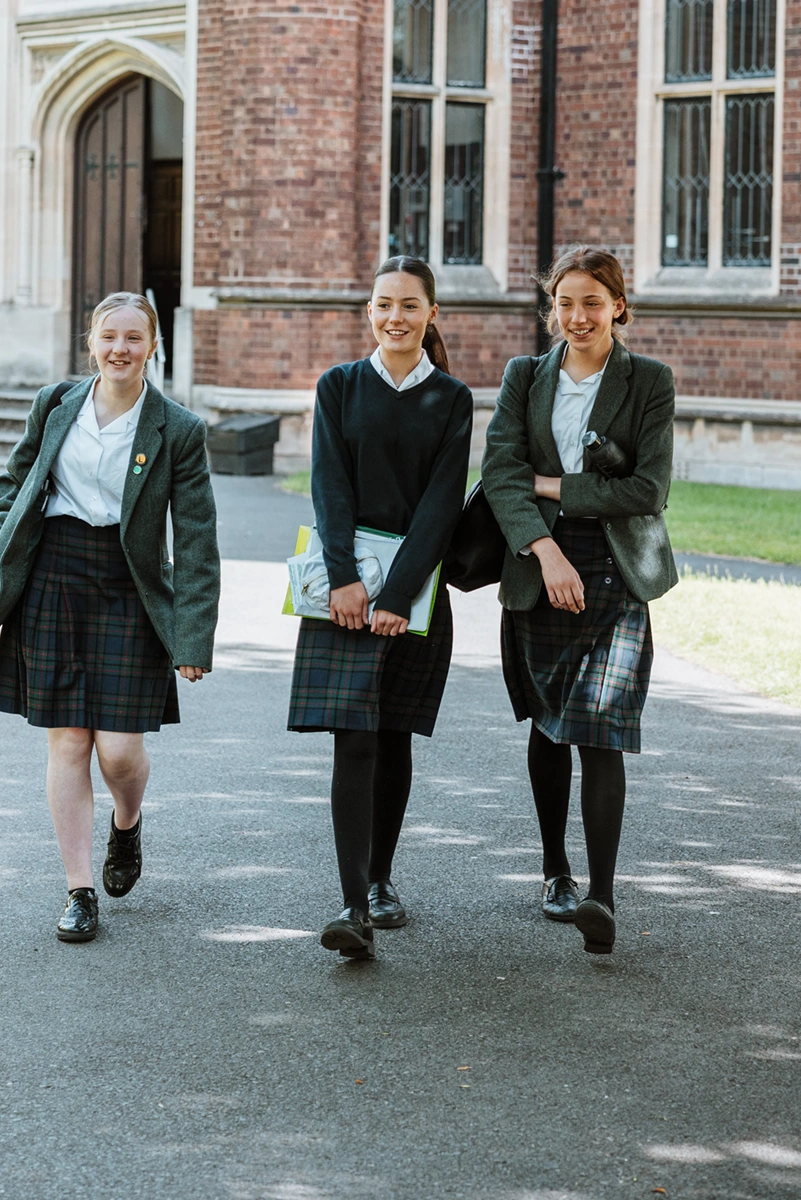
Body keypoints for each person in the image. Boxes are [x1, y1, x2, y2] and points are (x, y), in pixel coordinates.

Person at [0, 292, 220, 944]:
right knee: (68, 741)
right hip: (53, 577)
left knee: (117, 751)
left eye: (134, 338)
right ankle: (79, 890)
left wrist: (193, 636)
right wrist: (4, 543)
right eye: (109, 336)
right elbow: (15, 480)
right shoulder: (55, 405)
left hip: (129, 584)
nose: (120, 348)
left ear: (152, 345)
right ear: (92, 343)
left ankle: (128, 822)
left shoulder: (179, 430)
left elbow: (196, 541)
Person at [481, 247, 677, 955]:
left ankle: (601, 894)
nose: (578, 315)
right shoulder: (524, 377)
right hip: (542, 563)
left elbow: (646, 491)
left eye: (592, 300)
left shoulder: (649, 381)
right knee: (548, 722)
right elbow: (501, 472)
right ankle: (554, 872)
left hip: (618, 570)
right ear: (551, 307)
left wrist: (553, 484)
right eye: (565, 301)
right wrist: (545, 546)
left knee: (601, 724)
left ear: (618, 306)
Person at [288, 256, 474, 960]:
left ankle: (380, 880)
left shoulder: (452, 399)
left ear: (432, 315)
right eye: (382, 303)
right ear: (369, 310)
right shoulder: (338, 386)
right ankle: (349, 903)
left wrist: (398, 594)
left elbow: (441, 504)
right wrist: (344, 578)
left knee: (391, 734)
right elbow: (329, 486)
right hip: (341, 592)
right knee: (351, 737)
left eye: (409, 305)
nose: (394, 316)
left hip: (412, 594)